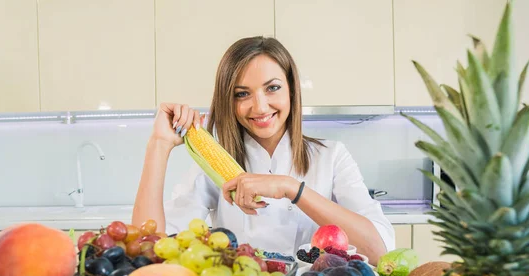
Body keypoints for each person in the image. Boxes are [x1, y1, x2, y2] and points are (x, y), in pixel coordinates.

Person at [132, 36, 395, 264]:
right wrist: (159, 145)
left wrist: (291, 188)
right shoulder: (212, 166)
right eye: (242, 94)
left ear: (292, 89)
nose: (259, 107)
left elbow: (379, 251)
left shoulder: (332, 156)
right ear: (228, 101)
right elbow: (146, 248)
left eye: (273, 88)